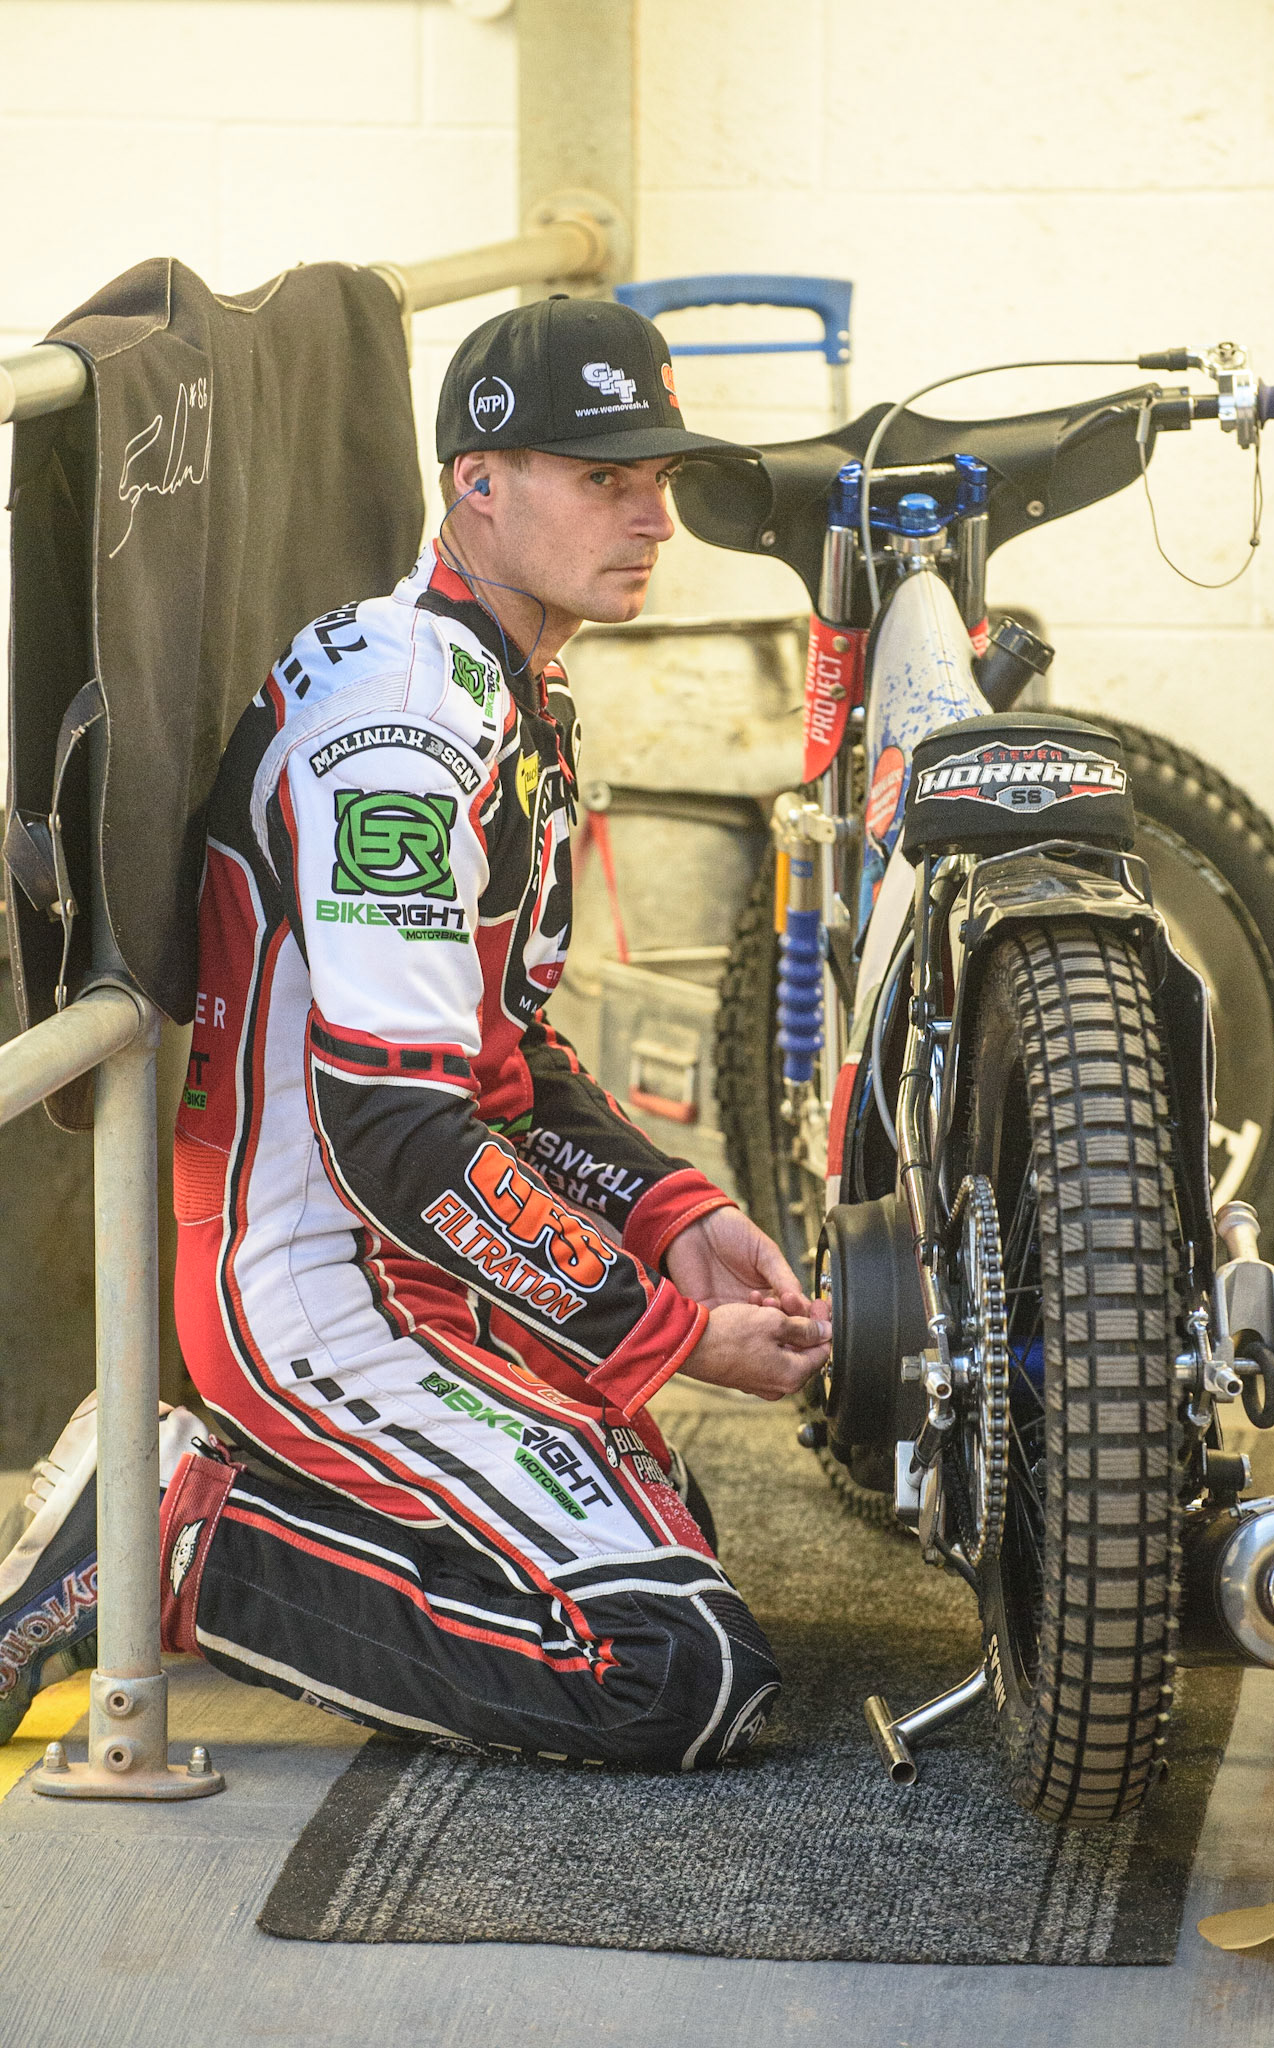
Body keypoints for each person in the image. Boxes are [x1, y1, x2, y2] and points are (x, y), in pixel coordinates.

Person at [1, 297, 831, 1767]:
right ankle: (168, 1529)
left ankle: (276, 1501)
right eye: (606, 479)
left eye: (658, 479)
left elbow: (508, 1053)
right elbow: (395, 1130)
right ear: (478, 481)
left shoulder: (509, 684)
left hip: (428, 1260)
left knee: (672, 1536)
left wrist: (673, 1212)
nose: (655, 519)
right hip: (321, 1285)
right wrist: (664, 1335)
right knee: (671, 1665)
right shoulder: (398, 724)